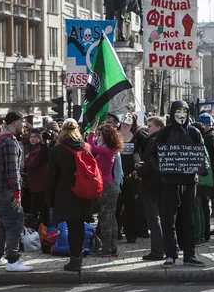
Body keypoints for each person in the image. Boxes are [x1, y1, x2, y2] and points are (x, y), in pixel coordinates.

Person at [156, 100, 207, 268]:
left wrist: (203, 167)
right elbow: (152, 154)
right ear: (172, 113)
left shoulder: (194, 133)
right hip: (169, 182)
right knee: (168, 220)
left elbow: (202, 154)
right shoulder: (164, 133)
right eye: (178, 111)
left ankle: (189, 255)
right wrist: (161, 169)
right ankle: (170, 254)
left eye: (184, 111)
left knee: (189, 219)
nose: (181, 115)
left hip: (189, 182)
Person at [47, 119, 96, 271]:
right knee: (80, 226)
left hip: (65, 194)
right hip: (83, 192)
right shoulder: (85, 147)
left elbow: (51, 178)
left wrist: (49, 201)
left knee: (71, 226)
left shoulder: (56, 151)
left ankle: (74, 260)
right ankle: (79, 257)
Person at [0, 111, 33, 272]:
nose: (24, 125)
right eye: (22, 121)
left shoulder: (1, 138)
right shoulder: (9, 141)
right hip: (5, 190)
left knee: (6, 223)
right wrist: (17, 193)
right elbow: (12, 170)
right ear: (14, 123)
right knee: (15, 224)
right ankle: (12, 260)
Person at [88, 119, 123, 257]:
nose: (98, 137)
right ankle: (112, 248)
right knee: (111, 218)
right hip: (110, 187)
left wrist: (91, 131)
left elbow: (91, 145)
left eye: (100, 135)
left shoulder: (107, 151)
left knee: (106, 219)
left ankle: (107, 249)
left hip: (107, 187)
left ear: (106, 137)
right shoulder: (110, 150)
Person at [135, 116, 166, 261]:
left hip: (151, 184)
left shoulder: (152, 142)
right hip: (164, 184)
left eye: (150, 126)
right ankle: (171, 247)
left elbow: (148, 164)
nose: (148, 129)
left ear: (159, 127)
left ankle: (158, 250)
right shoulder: (166, 139)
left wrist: (139, 168)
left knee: (154, 219)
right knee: (165, 218)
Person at [116, 112, 148, 243]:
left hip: (132, 175)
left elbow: (148, 148)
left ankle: (131, 234)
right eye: (124, 122)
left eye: (129, 123)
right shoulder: (114, 133)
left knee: (130, 205)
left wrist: (142, 166)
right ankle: (116, 232)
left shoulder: (139, 135)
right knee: (116, 206)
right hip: (115, 174)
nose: (126, 125)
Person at [196, 113, 214, 242]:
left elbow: (211, 159)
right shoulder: (210, 136)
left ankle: (204, 232)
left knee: (205, 205)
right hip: (210, 175)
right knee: (205, 205)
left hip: (209, 175)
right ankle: (205, 232)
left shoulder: (211, 138)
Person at [24, 129, 49, 229]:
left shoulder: (37, 150)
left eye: (35, 137)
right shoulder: (33, 149)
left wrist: (26, 158)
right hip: (37, 184)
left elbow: (31, 165)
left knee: (36, 210)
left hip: (39, 185)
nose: (32, 139)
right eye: (31, 137)